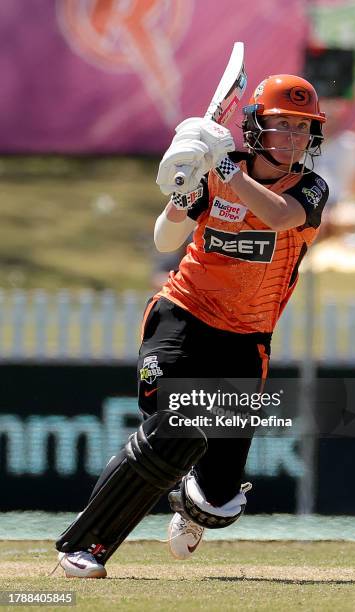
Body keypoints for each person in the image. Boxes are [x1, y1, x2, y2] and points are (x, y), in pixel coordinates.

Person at [54, 74, 329, 578]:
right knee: (173, 427)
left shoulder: (309, 187)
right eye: (281, 125)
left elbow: (279, 218)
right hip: (182, 315)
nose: (291, 139)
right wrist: (182, 195)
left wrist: (223, 165)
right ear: (254, 128)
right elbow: (164, 240)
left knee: (217, 504)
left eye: (301, 128)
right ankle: (86, 545)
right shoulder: (219, 172)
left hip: (246, 341)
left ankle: (190, 501)